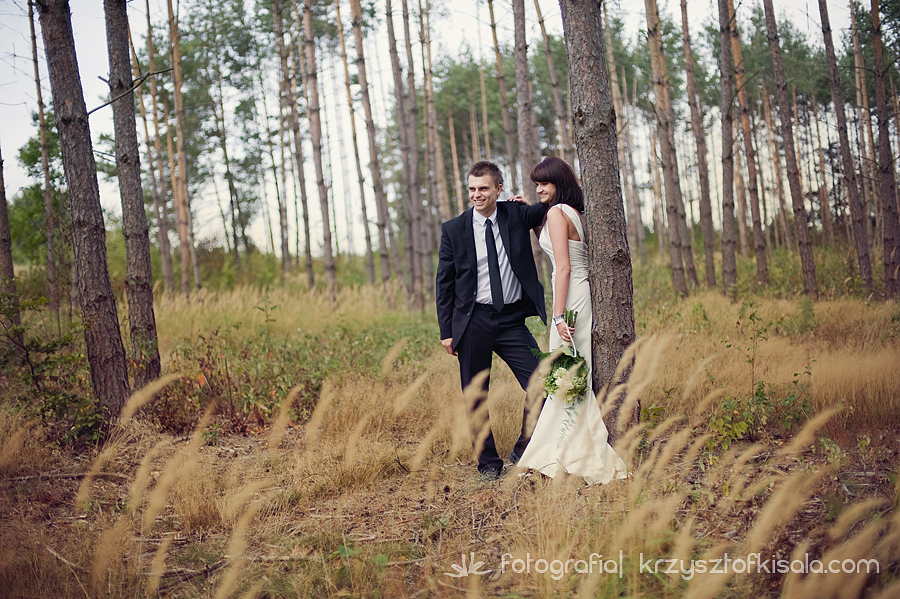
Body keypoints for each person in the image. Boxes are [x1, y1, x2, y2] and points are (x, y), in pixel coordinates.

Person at [515, 157, 628, 485]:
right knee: (569, 376)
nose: (538, 190)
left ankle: (571, 453)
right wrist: (534, 221)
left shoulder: (555, 213)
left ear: (559, 184)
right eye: (536, 184)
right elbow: (555, 248)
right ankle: (562, 448)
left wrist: (559, 315)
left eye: (544, 184)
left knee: (566, 377)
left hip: (570, 299)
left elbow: (561, 267)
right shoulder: (574, 214)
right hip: (582, 293)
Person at [436, 161, 549, 480]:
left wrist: (534, 203)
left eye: (483, 188)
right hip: (473, 323)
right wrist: (447, 330)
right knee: (475, 396)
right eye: (472, 189)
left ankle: (522, 449)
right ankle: (487, 464)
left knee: (542, 383)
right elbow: (444, 282)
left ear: (499, 189)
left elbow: (555, 203)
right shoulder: (454, 229)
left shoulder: (516, 214)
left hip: (512, 320)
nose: (476, 194)